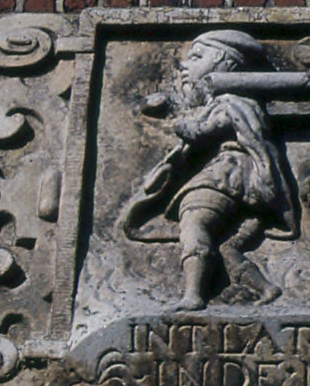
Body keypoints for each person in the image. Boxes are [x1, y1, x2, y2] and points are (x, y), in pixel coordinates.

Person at [123, 30, 296, 310]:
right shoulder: (235, 103)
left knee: (194, 221)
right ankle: (266, 288)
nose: (183, 66)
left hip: (229, 174)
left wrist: (174, 116)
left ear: (224, 62)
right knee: (227, 247)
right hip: (246, 181)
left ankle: (193, 296)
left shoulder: (231, 103)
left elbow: (201, 131)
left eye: (196, 57)